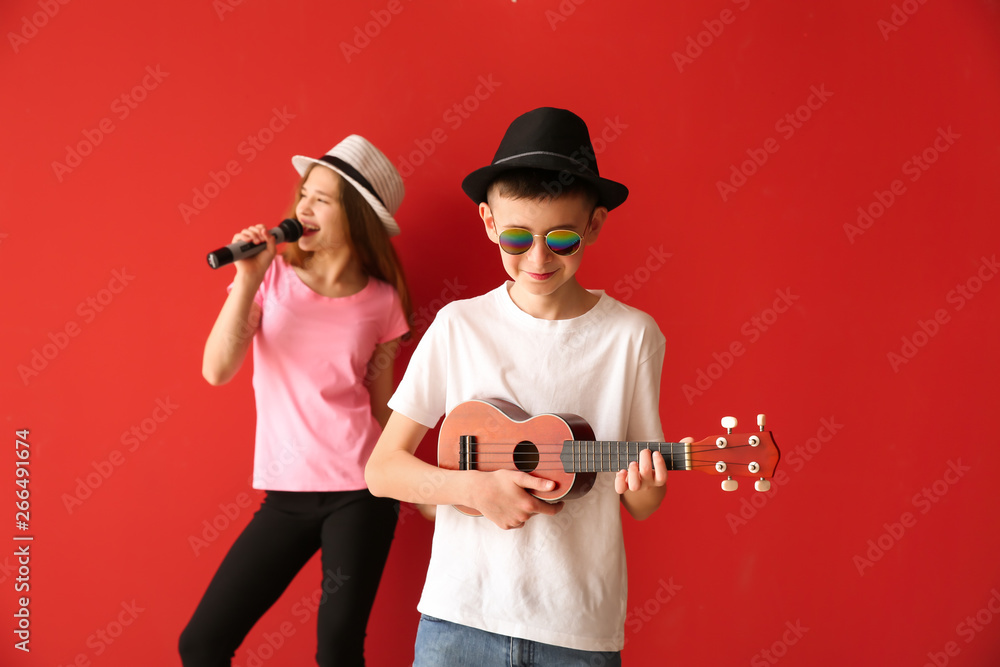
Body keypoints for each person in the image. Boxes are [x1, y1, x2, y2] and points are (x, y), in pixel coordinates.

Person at [365, 107, 673, 666]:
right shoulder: (459, 326)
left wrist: (643, 480)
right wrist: (472, 491)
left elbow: (646, 502)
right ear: (487, 222)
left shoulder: (633, 336)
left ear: (595, 224)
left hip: (577, 628)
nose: (536, 259)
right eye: (515, 237)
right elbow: (382, 471)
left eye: (561, 240)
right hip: (460, 617)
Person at [180, 135, 412, 667]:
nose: (302, 207)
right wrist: (248, 278)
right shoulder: (271, 278)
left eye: (321, 200)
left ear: (354, 216)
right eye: (304, 194)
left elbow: (383, 409)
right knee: (201, 643)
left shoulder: (382, 301)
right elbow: (217, 371)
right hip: (286, 494)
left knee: (336, 651)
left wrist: (420, 486)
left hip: (362, 491)